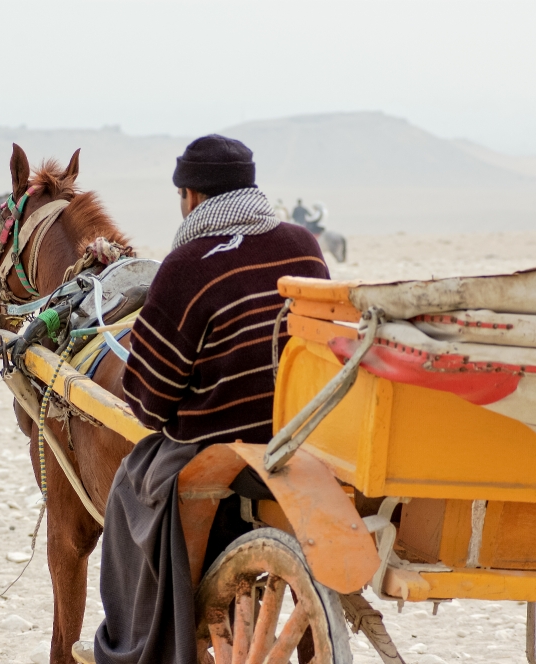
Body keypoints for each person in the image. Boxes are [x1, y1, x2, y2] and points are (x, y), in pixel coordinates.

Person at [93, 135, 329, 664]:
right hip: (306, 437)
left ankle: (132, 646)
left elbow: (151, 404)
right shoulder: (303, 245)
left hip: (220, 450)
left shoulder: (188, 265)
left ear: (191, 196)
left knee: (130, 491)